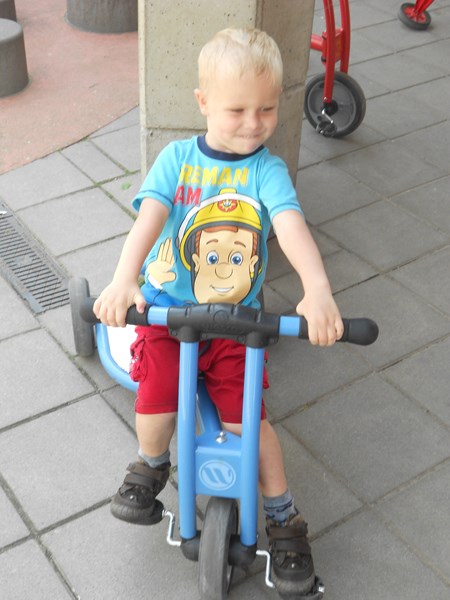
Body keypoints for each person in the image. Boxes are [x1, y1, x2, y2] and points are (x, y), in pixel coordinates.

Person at [94, 27, 343, 596]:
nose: (253, 123)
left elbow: (290, 227)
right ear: (203, 102)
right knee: (156, 401)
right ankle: (150, 464)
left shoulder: (266, 171)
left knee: (248, 425)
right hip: (170, 314)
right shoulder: (177, 160)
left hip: (235, 326)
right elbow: (149, 220)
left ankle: (282, 516)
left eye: (266, 109)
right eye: (237, 109)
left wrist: (317, 289)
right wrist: (123, 278)